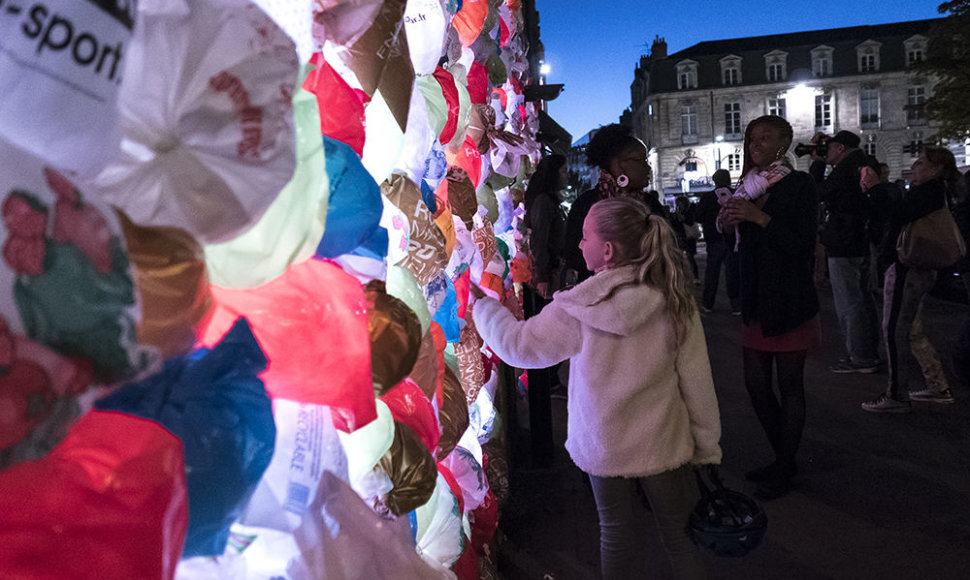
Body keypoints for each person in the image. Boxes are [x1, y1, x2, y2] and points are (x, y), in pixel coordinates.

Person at [471, 197, 721, 580]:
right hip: (665, 439)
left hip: (605, 443)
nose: (579, 244)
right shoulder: (672, 298)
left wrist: (481, 307)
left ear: (606, 250)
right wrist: (705, 446)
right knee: (680, 535)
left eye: (585, 236)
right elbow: (696, 379)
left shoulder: (580, 306)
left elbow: (519, 347)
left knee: (616, 533)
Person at [721, 115, 820, 500]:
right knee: (755, 384)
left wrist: (758, 217)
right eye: (750, 139)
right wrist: (730, 220)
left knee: (790, 385)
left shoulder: (798, 185)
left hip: (790, 301)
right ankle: (784, 457)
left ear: (783, 144)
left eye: (765, 138)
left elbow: (800, 243)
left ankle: (784, 464)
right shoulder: (746, 188)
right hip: (757, 301)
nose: (755, 144)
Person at [861, 147, 961, 412]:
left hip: (909, 265)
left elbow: (897, 212)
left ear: (935, 169)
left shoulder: (929, 192)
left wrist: (875, 188)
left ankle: (897, 395)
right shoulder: (939, 191)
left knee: (894, 330)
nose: (914, 166)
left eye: (920, 163)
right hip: (919, 267)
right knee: (912, 330)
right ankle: (937, 385)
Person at [812, 130, 882, 374]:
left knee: (849, 303)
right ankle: (869, 352)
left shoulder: (844, 170)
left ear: (840, 148)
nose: (826, 153)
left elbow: (817, 192)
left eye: (829, 148)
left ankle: (860, 357)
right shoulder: (866, 164)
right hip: (861, 239)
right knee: (864, 300)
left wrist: (817, 164)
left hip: (843, 241)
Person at [563, 124, 653, 284]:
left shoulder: (651, 203)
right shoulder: (586, 205)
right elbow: (573, 254)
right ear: (618, 164)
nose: (647, 167)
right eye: (640, 160)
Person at [696, 169, 741, 313]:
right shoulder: (736, 194)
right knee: (733, 272)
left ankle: (708, 303)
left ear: (714, 180)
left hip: (714, 239)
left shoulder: (708, 197)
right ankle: (736, 305)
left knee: (712, 273)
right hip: (733, 239)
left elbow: (698, 216)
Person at [523, 154, 568, 300]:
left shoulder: (550, 201)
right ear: (553, 175)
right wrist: (543, 276)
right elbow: (539, 239)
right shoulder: (544, 202)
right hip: (550, 274)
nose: (567, 176)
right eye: (563, 171)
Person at [670, 196, 700, 283]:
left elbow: (689, 222)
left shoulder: (688, 212)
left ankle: (695, 276)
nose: (678, 205)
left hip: (688, 237)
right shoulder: (677, 213)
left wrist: (680, 217)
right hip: (680, 237)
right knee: (679, 258)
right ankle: (683, 277)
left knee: (690, 258)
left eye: (680, 203)